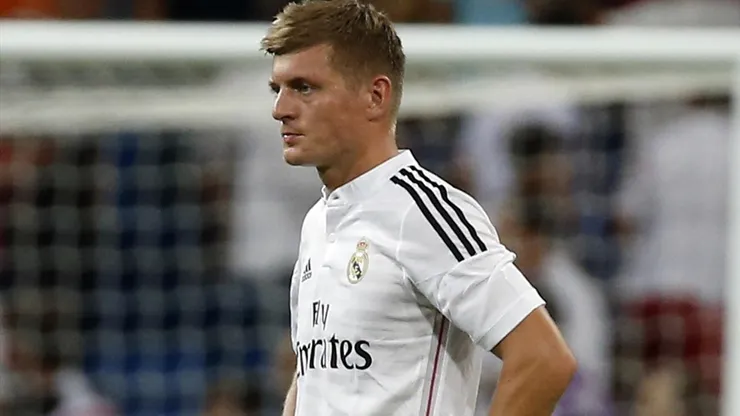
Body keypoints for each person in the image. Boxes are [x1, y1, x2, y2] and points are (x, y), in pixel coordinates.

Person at [261, 1, 576, 415]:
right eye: (278, 89)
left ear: (375, 96)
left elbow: (543, 359)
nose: (280, 109)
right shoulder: (317, 223)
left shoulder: (423, 213)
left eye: (304, 87)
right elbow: (313, 377)